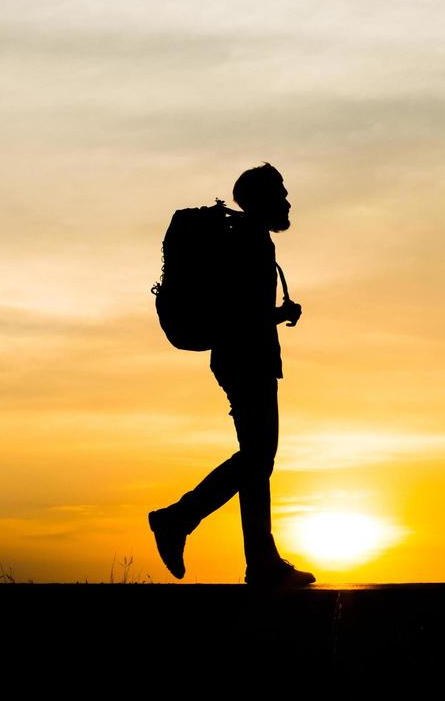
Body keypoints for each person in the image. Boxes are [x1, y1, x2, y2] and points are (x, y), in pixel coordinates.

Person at [148, 164, 316, 587]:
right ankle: (177, 518)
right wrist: (278, 315)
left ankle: (261, 560)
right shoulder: (250, 243)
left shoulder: (248, 239)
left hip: (242, 355)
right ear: (260, 199)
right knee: (258, 459)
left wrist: (275, 316)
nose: (287, 201)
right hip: (246, 358)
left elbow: (238, 311)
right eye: (280, 194)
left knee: (258, 461)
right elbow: (240, 313)